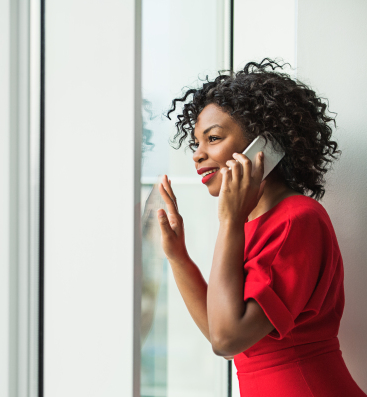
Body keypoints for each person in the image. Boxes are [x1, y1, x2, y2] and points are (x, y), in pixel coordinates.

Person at [155, 59, 367, 397]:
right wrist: (178, 256)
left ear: (264, 145)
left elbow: (227, 339)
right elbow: (218, 331)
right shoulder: (250, 224)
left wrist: (230, 221)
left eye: (212, 138)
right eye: (196, 143)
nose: (197, 155)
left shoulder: (297, 219)